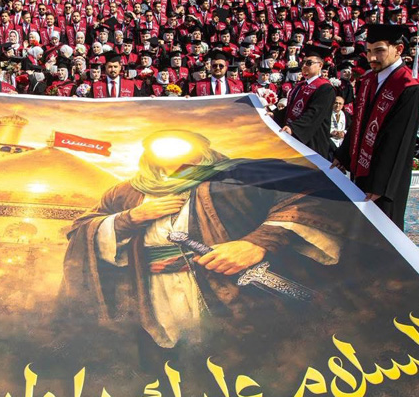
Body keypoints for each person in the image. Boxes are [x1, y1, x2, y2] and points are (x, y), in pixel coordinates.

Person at [63, 129, 346, 349]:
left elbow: (312, 193)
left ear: (200, 147)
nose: (171, 151)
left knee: (239, 352)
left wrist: (257, 242)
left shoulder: (243, 174)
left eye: (180, 143)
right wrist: (131, 218)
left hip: (226, 288)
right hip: (150, 292)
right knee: (165, 359)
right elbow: (80, 230)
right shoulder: (126, 192)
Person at [333, 24, 419, 230]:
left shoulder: (408, 86)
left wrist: (380, 183)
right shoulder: (369, 80)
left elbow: (398, 140)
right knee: (359, 227)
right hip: (362, 167)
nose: (372, 57)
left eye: (379, 50)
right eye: (369, 51)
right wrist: (343, 155)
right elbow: (358, 122)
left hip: (386, 178)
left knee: (382, 228)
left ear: (398, 49)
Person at [277, 45, 335, 159]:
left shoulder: (325, 88)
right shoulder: (300, 86)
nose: (304, 66)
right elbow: (291, 108)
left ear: (320, 65)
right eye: (303, 63)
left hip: (311, 141)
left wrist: (294, 129)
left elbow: (314, 114)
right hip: (292, 137)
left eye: (309, 63)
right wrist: (274, 114)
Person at [328, 95, 349, 159]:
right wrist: (331, 133)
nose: (337, 105)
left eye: (340, 104)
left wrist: (343, 133)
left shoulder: (345, 115)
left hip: (341, 140)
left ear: (343, 105)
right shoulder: (327, 113)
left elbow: (349, 127)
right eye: (336, 103)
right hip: (329, 139)